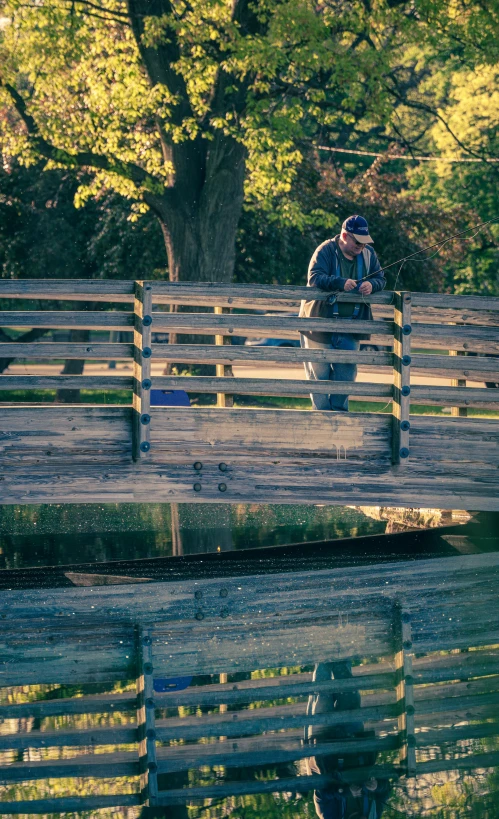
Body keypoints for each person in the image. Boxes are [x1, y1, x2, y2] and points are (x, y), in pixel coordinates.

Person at [300, 215, 386, 411]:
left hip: (352, 325)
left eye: (364, 242)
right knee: (318, 375)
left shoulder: (369, 254)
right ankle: (321, 417)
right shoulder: (325, 250)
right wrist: (340, 282)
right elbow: (315, 277)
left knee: (346, 374)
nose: (361, 246)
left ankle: (340, 416)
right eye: (357, 241)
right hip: (318, 324)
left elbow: (381, 278)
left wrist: (372, 285)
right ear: (345, 235)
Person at [305, 660, 392, 819]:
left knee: (322, 695)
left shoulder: (330, 817)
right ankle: (342, 648)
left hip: (323, 743)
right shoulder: (373, 815)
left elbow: (320, 796)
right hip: (354, 741)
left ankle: (320, 648)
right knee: (350, 692)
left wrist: (344, 792)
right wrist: (377, 786)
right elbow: (385, 791)